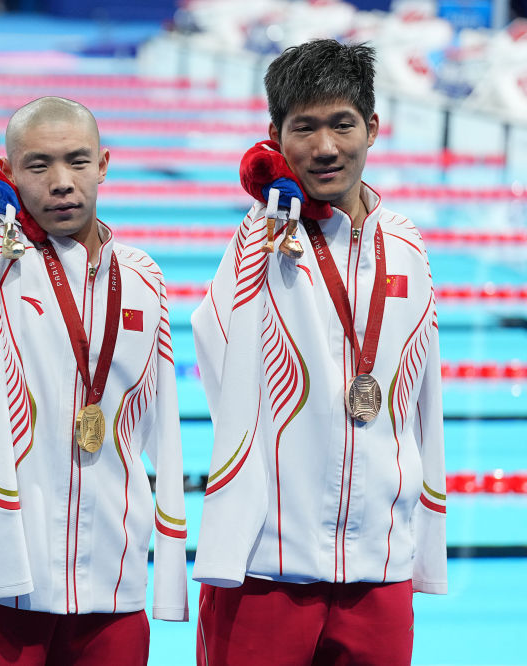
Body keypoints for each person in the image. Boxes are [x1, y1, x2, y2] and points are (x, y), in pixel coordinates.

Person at [190, 40, 446, 665]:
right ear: (274, 139)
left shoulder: (407, 246)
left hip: (380, 568)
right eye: (304, 128)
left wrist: (422, 543)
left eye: (342, 124)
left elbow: (425, 401)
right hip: (266, 566)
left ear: (373, 128)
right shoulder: (262, 236)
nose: (326, 147)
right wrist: (269, 215)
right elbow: (218, 354)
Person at [0, 96, 189, 665]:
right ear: (9, 173)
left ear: (104, 164)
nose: (62, 182)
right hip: (4, 584)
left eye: (77, 160)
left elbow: (162, 424)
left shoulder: (144, 278)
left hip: (113, 580)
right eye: (38, 165)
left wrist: (167, 564)